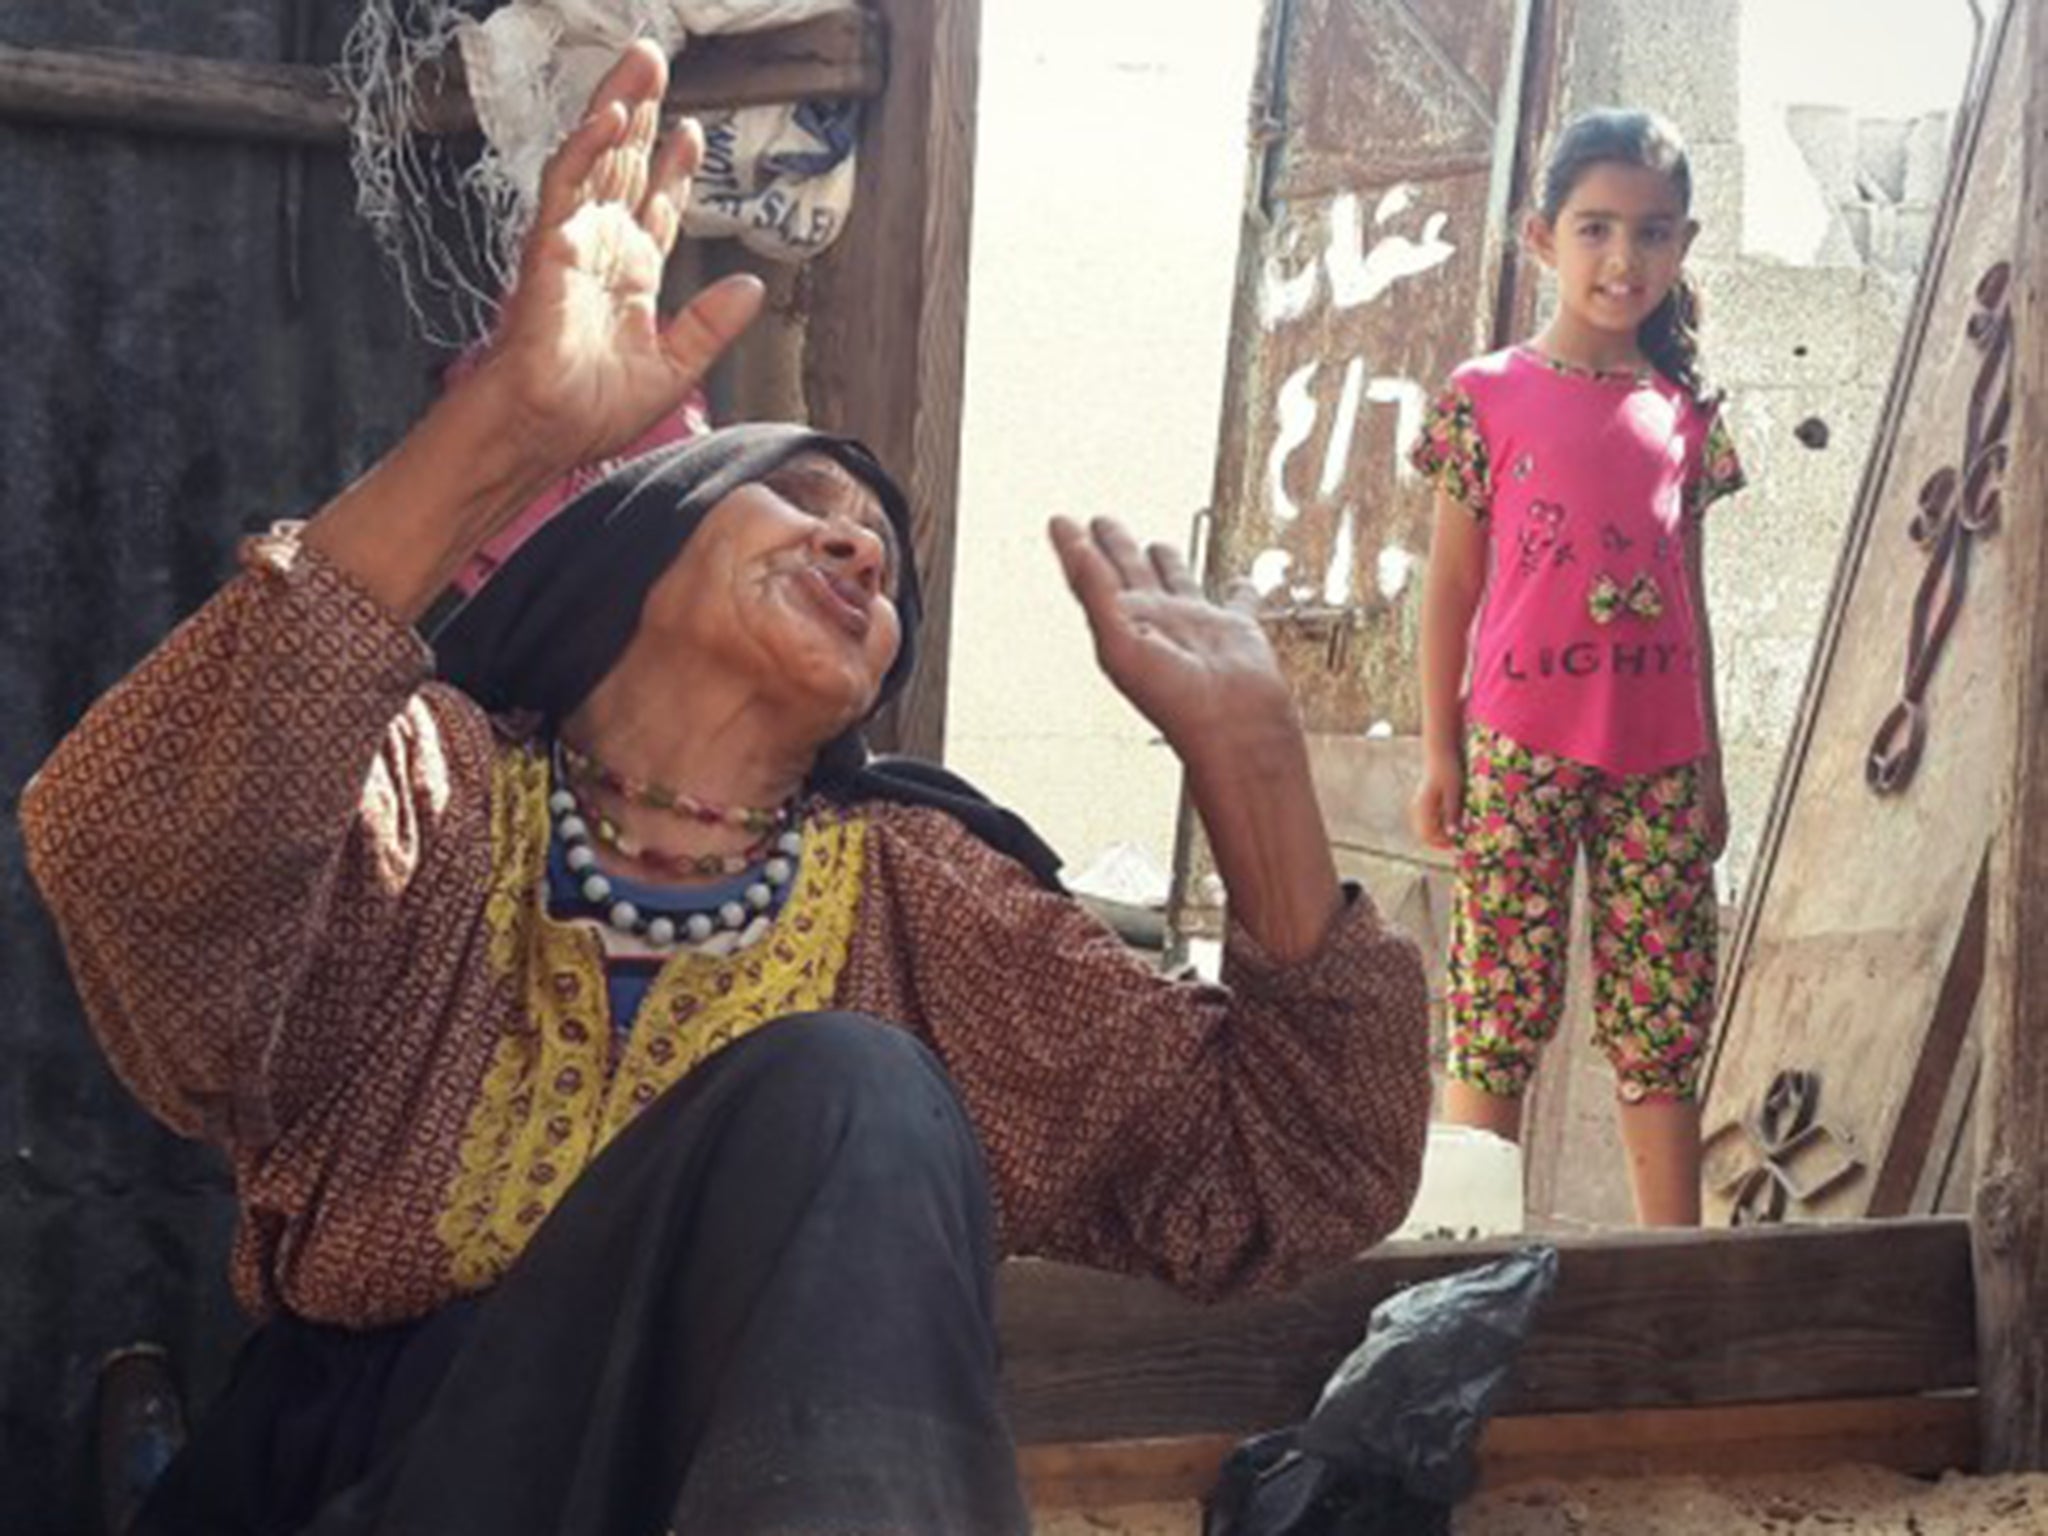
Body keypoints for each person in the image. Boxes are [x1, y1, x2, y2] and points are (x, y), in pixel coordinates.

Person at [21, 42, 1431, 1536]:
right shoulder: (434, 794)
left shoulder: (920, 902)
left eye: (882, 563)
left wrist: (1257, 766)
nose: (861, 554)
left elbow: (1293, 1169)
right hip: (379, 1487)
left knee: (857, 1090)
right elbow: (139, 854)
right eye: (805, 504)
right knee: (851, 1087)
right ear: (634, 544)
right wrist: (502, 431)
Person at [1406, 108, 1746, 1227]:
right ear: (1540, 237)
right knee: (1496, 1007)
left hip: (1657, 761)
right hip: (1515, 749)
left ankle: (1674, 1269)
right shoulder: (1485, 395)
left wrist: (1708, 763)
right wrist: (1439, 750)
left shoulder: (1684, 412)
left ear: (1682, 245)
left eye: (1650, 233)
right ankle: (1463, 1259)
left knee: (1659, 1016)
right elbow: (1450, 590)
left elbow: (1687, 598)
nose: (1622, 259)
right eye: (1594, 228)